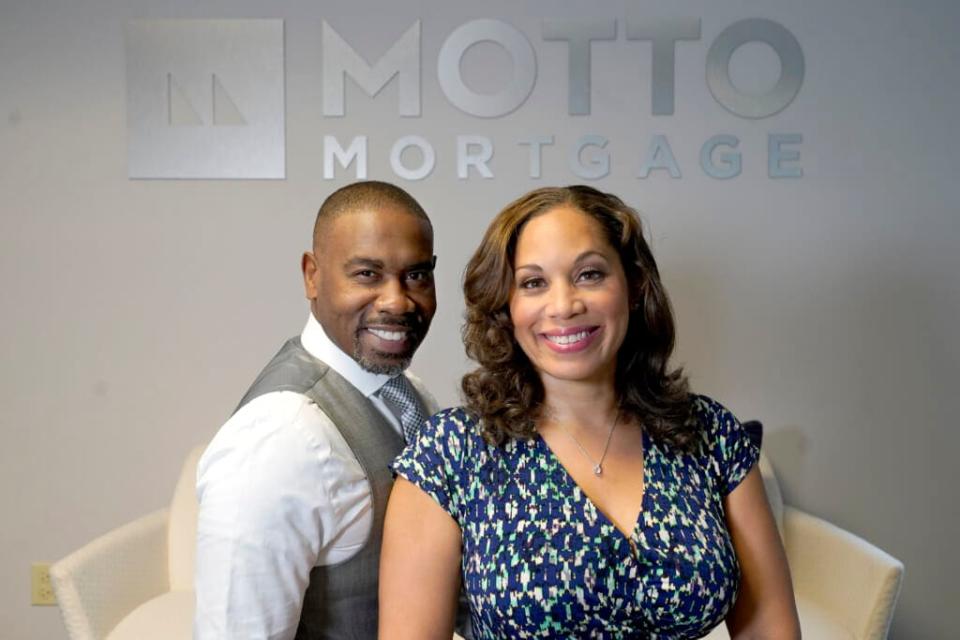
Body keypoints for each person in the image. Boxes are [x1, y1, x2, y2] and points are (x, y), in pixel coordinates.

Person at [380, 186, 800, 639]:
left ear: (634, 287)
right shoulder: (450, 453)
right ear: (507, 305)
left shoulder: (712, 436)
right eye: (533, 283)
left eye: (590, 275)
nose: (564, 306)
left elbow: (768, 630)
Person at [195, 181, 440, 639]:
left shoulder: (411, 396)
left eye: (416, 275)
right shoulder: (279, 438)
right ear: (312, 275)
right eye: (367, 274)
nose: (397, 301)